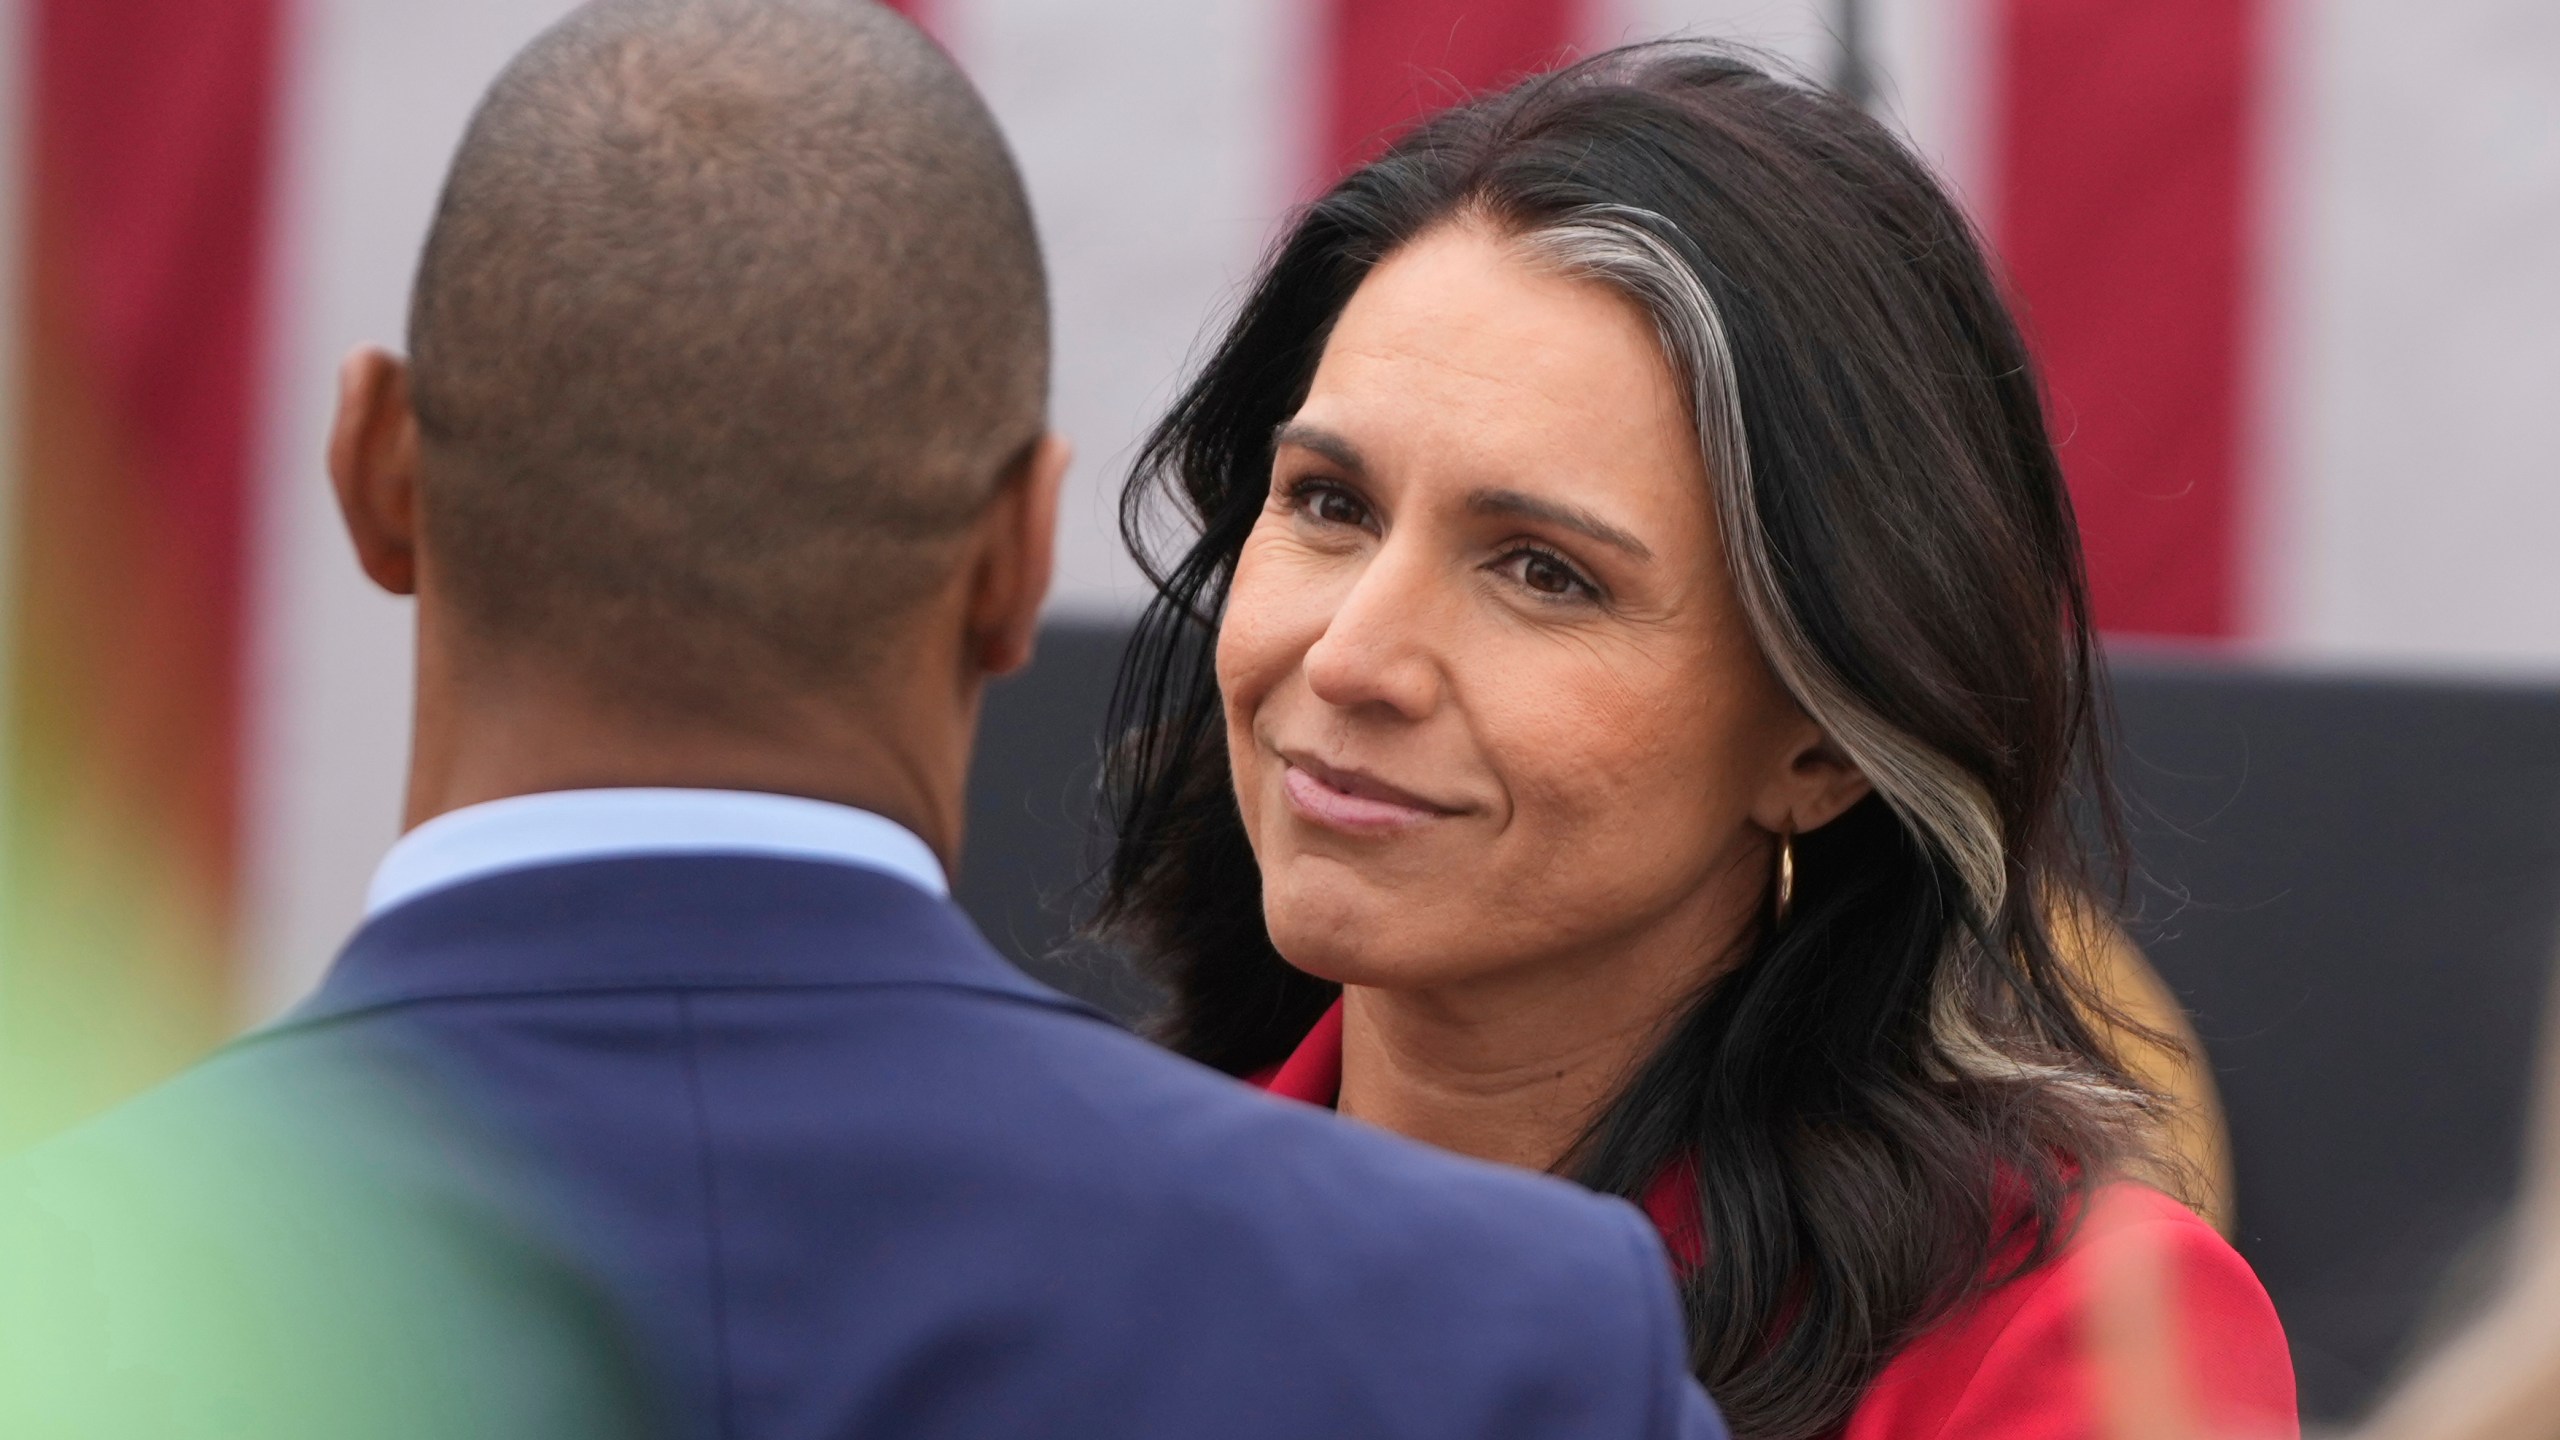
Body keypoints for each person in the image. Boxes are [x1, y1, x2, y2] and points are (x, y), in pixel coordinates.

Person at [0, 5, 1725, 1438]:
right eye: (1331, 507)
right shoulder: (1501, 1343)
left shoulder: (48, 1309)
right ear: (1011, 558)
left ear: (379, 471)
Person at [1099, 42, 2293, 1440]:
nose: (1354, 657)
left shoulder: (2052, 1348)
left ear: (1823, 747)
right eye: (1328, 505)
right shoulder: (1074, 1244)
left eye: (1543, 571)